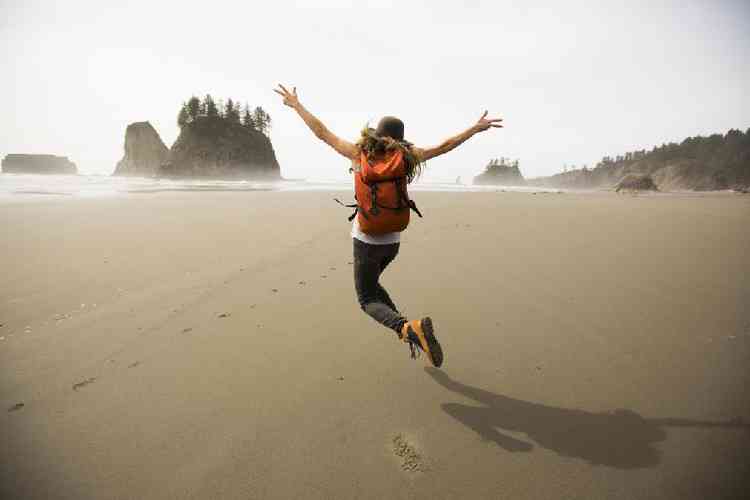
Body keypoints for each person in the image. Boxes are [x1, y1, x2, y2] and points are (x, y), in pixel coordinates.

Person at [274, 84, 503, 367]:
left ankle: (406, 328)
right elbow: (444, 146)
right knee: (372, 286)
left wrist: (296, 105)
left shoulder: (358, 153)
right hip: (392, 241)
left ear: (376, 134)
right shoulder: (407, 158)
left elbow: (321, 132)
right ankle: (409, 331)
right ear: (401, 139)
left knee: (367, 298)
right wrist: (474, 128)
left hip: (366, 240)